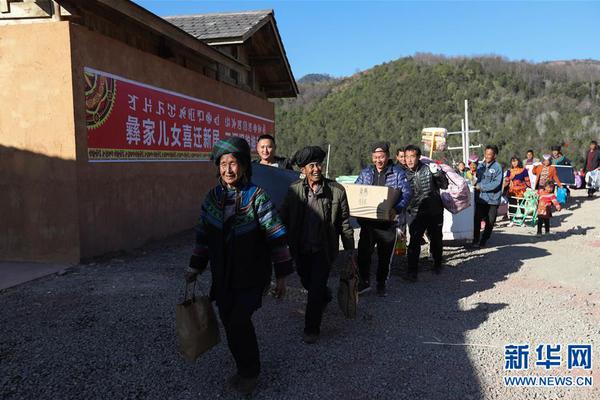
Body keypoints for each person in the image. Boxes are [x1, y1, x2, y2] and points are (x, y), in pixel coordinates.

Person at [184, 137, 293, 395]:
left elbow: (276, 236)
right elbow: (203, 236)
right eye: (223, 164)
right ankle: (243, 366)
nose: (228, 169)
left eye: (233, 163)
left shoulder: (257, 197)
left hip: (252, 274)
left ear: (244, 166)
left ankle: (250, 372)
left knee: (238, 320)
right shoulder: (212, 198)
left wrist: (281, 276)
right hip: (223, 275)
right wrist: (195, 267)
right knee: (228, 320)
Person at [280, 146, 355, 344]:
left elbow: (344, 223)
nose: (316, 169)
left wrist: (349, 251)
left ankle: (311, 328)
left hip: (323, 249)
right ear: (303, 169)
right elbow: (283, 218)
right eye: (311, 166)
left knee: (314, 289)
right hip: (301, 248)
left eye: (318, 164)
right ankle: (325, 295)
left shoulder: (337, 191)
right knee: (307, 281)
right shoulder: (294, 190)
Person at [355, 141, 412, 296]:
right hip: (368, 223)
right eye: (375, 157)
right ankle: (364, 282)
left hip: (388, 223)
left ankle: (381, 283)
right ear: (372, 157)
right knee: (363, 254)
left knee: (384, 256)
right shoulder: (366, 173)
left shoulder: (398, 173)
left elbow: (407, 193)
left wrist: (397, 208)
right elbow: (356, 190)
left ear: (387, 156)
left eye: (381, 157)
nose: (378, 160)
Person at [403, 145, 449, 282]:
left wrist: (438, 174)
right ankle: (412, 270)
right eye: (407, 157)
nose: (409, 160)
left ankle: (438, 264)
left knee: (436, 239)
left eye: (412, 156)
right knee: (414, 241)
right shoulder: (402, 174)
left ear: (418, 157)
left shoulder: (429, 168)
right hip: (415, 212)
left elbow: (444, 185)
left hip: (434, 210)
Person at [472, 145, 503, 248]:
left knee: (490, 222)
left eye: (490, 154)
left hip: (493, 200)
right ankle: (475, 240)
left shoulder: (498, 167)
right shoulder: (480, 166)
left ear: (494, 155)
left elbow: (497, 183)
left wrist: (481, 187)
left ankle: (484, 240)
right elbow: (477, 179)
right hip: (481, 199)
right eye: (486, 154)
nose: (488, 156)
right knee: (476, 219)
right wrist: (473, 181)